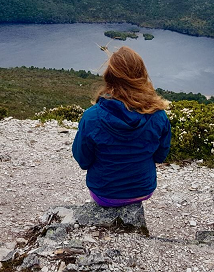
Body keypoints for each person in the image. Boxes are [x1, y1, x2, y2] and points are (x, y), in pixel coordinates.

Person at [72, 46, 171, 207]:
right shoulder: (158, 115)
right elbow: (160, 156)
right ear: (141, 75)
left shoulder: (91, 117)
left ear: (110, 76)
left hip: (104, 193)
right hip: (144, 189)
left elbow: (83, 160)